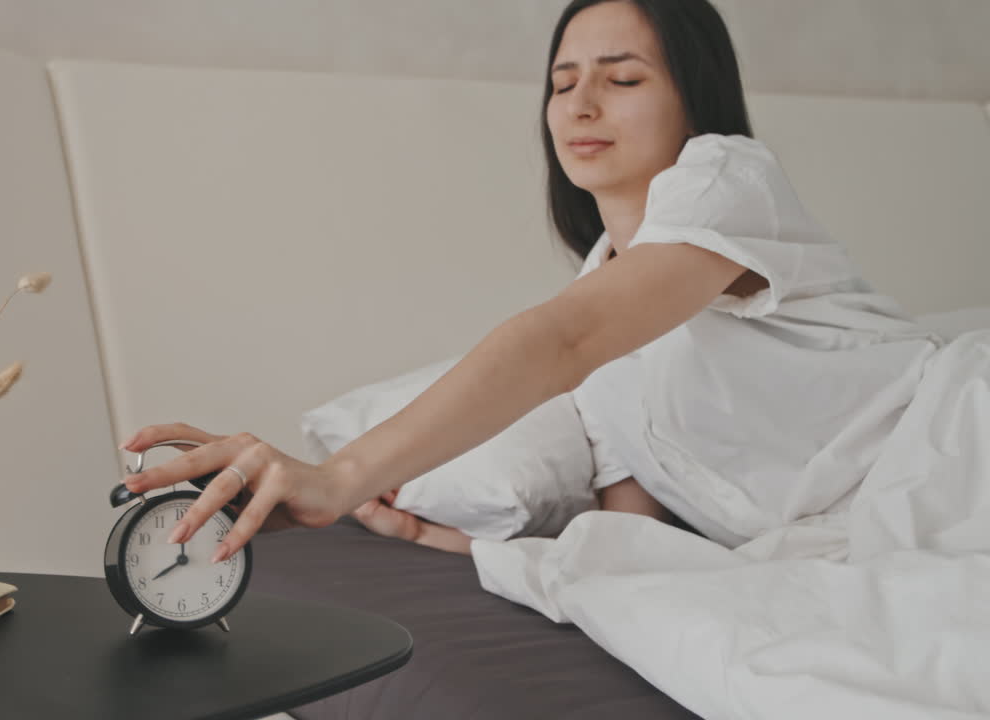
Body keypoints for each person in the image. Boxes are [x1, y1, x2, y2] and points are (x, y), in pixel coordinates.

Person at [118, 0, 941, 565]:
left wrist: (336, 478)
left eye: (622, 79)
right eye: (561, 82)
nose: (580, 104)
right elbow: (634, 546)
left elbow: (563, 340)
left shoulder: (730, 177)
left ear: (695, 101)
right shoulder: (607, 327)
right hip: (849, 539)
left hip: (949, 453)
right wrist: (430, 539)